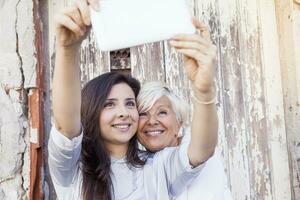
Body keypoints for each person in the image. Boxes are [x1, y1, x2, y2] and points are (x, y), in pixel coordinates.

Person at [48, 0, 218, 199]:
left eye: (130, 103)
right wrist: (68, 49)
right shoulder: (73, 168)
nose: (124, 112)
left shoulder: (158, 166)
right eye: (109, 104)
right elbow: (64, 126)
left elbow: (202, 150)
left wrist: (204, 91)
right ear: (90, 111)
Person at [137, 82, 233, 200]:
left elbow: (201, 150)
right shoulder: (137, 167)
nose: (151, 121)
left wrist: (204, 93)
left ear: (179, 122)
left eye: (162, 112)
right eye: (142, 114)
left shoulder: (197, 150)